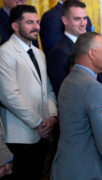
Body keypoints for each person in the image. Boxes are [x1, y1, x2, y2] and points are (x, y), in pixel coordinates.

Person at [50, 32, 102, 180]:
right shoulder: (94, 88)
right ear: (91, 53)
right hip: (88, 171)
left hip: (63, 168)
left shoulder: (67, 81)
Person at [0, 5, 58, 180]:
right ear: (15, 26)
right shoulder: (4, 53)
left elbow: (47, 89)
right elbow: (9, 96)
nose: (37, 27)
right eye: (30, 22)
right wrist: (39, 123)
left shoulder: (39, 53)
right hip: (19, 137)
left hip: (42, 135)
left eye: (37, 22)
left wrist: (52, 117)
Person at [47, 0, 88, 96]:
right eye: (77, 19)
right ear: (65, 20)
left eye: (85, 18)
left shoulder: (88, 44)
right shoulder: (59, 52)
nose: (83, 23)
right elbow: (64, 90)